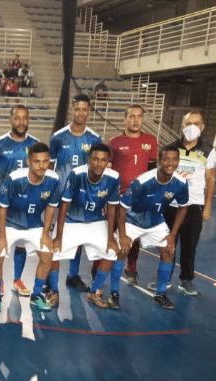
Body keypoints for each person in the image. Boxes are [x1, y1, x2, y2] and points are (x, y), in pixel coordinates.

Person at [148, 111, 216, 296]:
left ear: (202, 127)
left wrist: (207, 205)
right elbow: (159, 175)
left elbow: (210, 178)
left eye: (196, 123)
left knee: (189, 244)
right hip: (170, 204)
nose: (192, 126)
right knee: (167, 243)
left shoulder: (208, 150)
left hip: (194, 205)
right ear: (182, 126)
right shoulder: (171, 148)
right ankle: (164, 278)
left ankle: (186, 280)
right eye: (188, 123)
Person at [0, 142, 59, 313]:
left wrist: (45, 233)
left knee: (48, 256)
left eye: (45, 161)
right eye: (37, 161)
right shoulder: (14, 179)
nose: (41, 165)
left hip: (34, 225)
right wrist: (3, 236)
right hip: (10, 224)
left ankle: (36, 296)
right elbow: (2, 208)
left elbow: (51, 207)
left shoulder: (54, 179)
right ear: (29, 162)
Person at [118, 145, 189, 309]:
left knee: (168, 251)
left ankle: (160, 294)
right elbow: (122, 208)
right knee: (121, 250)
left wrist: (172, 235)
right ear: (159, 161)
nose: (170, 163)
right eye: (166, 159)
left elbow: (183, 207)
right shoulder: (142, 182)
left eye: (174, 159)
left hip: (155, 221)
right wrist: (122, 234)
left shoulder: (180, 183)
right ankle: (114, 292)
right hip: (133, 220)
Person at [52, 143, 120, 308]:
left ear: (108, 162)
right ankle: (54, 291)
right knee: (53, 252)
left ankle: (94, 292)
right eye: (95, 159)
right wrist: (58, 237)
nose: (99, 163)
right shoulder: (76, 174)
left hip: (96, 220)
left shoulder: (114, 177)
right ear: (89, 160)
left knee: (112, 251)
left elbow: (112, 209)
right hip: (72, 220)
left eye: (104, 160)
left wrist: (111, 237)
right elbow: (64, 205)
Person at [48, 94, 101, 293]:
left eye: (84, 109)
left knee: (77, 238)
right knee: (55, 237)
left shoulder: (94, 138)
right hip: (60, 194)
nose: (80, 113)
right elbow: (51, 168)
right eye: (77, 109)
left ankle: (73, 275)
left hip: (83, 195)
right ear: (72, 110)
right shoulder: (58, 137)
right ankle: (49, 277)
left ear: (89, 111)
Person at [0, 105, 40, 297]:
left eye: (25, 118)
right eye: (17, 118)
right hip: (5, 205)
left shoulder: (35, 144)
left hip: (28, 204)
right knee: (0, 244)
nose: (21, 122)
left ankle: (17, 280)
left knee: (22, 243)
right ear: (10, 120)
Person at [106, 105, 157, 285]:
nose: (135, 120)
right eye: (131, 116)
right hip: (117, 197)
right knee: (109, 232)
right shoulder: (114, 142)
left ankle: (131, 268)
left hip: (139, 198)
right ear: (125, 119)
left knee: (133, 236)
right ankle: (103, 264)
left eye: (139, 116)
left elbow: (152, 170)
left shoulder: (151, 141)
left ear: (143, 119)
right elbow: (108, 171)